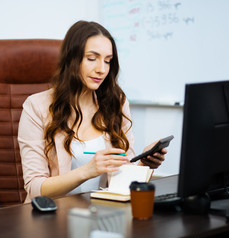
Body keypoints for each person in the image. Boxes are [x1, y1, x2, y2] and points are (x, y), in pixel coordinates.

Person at [18, 20, 167, 203]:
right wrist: (87, 171)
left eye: (108, 61)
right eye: (91, 58)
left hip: (103, 214)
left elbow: (122, 179)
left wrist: (144, 164)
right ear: (72, 58)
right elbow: (35, 188)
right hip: (53, 218)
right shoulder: (36, 107)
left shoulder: (116, 103)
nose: (101, 69)